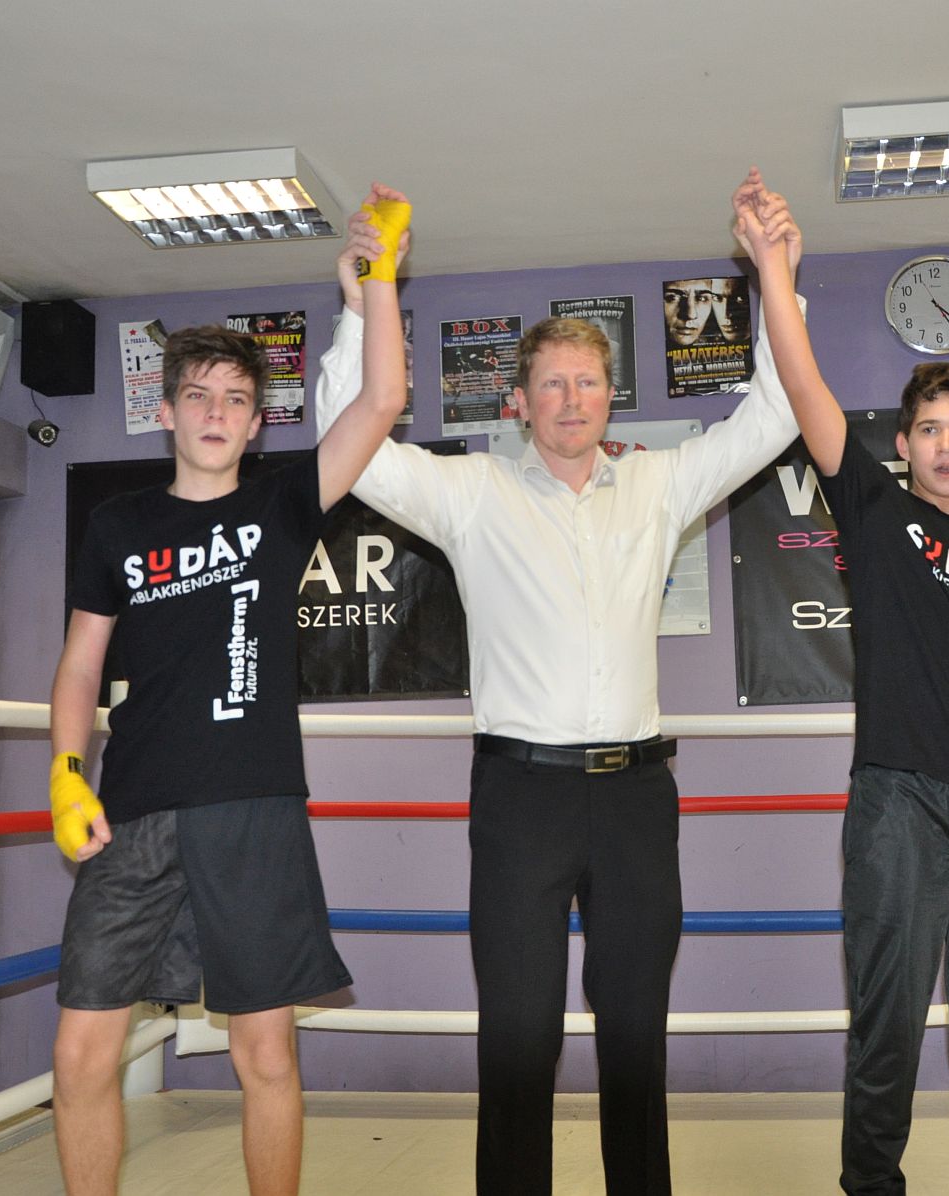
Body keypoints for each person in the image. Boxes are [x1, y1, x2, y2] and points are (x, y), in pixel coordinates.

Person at [311, 171, 799, 1196]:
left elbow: (774, 416)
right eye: (552, 385)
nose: (571, 400)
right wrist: (360, 303)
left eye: (588, 382)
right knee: (518, 1035)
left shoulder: (659, 485)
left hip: (635, 798)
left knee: (635, 1032)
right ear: (519, 400)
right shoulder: (472, 493)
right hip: (520, 795)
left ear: (610, 394)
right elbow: (352, 453)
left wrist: (774, 277)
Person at [45, 185, 412, 1196]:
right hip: (132, 814)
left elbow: (381, 402)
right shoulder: (118, 525)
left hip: (251, 808)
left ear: (256, 424)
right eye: (199, 396)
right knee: (79, 1055)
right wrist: (67, 773)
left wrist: (379, 279)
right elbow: (80, 664)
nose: (216, 413)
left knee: (266, 1055)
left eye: (236, 400)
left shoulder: (281, 505)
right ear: (166, 412)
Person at [743, 176, 949, 1195]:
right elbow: (804, 384)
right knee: (889, 1024)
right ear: (904, 442)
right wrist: (774, 268)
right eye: (930, 428)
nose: (946, 443)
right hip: (899, 802)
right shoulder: (875, 511)